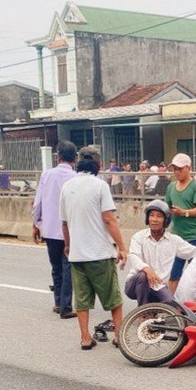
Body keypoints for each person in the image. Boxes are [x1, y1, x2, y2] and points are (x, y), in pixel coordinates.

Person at [59, 147, 128, 350]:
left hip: (77, 256)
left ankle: (85, 338)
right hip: (100, 253)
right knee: (113, 298)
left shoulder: (67, 187)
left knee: (82, 300)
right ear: (99, 165)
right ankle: (118, 336)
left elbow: (64, 223)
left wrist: (68, 245)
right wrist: (122, 247)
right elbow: (109, 219)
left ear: (78, 163)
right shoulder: (100, 186)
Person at [31, 141, 78, 319]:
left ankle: (58, 302)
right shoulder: (75, 177)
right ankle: (66, 306)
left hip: (49, 230)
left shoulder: (46, 175)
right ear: (75, 158)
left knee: (56, 267)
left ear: (57, 156)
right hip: (69, 230)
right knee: (68, 267)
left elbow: (38, 203)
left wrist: (36, 224)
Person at [125, 200, 196, 307]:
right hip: (135, 284)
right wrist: (147, 270)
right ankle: (143, 313)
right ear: (147, 218)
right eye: (151, 215)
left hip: (158, 286)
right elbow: (133, 256)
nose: (154, 220)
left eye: (159, 216)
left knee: (172, 304)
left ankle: (154, 310)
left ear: (166, 220)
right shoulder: (139, 237)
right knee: (143, 276)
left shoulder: (174, 240)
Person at [164, 153, 196, 293]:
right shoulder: (171, 187)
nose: (177, 172)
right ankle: (171, 305)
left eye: (180, 169)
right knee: (173, 274)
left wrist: (185, 212)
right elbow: (167, 208)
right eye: (174, 169)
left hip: (194, 237)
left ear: (188, 168)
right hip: (176, 237)